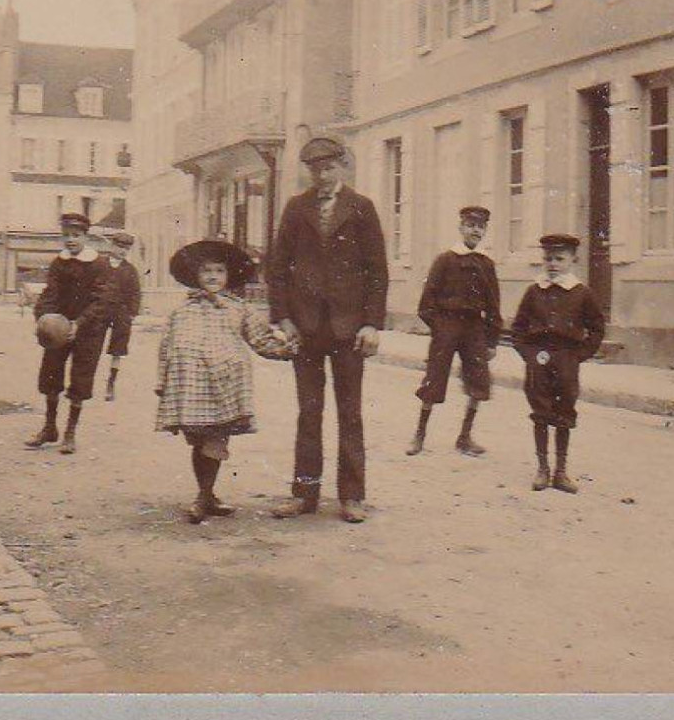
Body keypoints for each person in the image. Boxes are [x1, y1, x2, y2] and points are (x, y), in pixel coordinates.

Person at [264, 135, 389, 524]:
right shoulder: (295, 208)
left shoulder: (362, 208)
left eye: (329, 167)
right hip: (306, 328)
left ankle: (352, 497)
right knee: (309, 412)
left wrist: (371, 323)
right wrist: (283, 318)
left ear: (343, 167)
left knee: (350, 413)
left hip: (349, 328)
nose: (322, 174)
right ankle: (304, 493)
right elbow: (277, 267)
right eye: (315, 169)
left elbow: (376, 272)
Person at [154, 239, 292, 523]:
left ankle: (202, 498)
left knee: (215, 440)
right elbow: (167, 347)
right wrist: (162, 381)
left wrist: (286, 350)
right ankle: (208, 494)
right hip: (192, 387)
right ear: (197, 275)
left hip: (225, 386)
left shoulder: (238, 308)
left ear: (228, 276)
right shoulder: (183, 311)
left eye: (219, 271)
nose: (213, 277)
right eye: (207, 271)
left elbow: (260, 338)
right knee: (198, 442)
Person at [510, 233, 607, 493]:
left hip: (566, 359)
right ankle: (542, 468)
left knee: (564, 411)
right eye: (548, 258)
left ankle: (561, 471)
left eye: (559, 259)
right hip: (538, 359)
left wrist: (579, 355)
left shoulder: (581, 293)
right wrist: (528, 354)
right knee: (540, 410)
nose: (552, 264)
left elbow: (597, 328)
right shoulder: (534, 291)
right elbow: (517, 327)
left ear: (572, 260)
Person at [407, 205, 502, 457]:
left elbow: (494, 304)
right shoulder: (445, 260)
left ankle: (465, 436)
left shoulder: (486, 264)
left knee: (478, 381)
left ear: (484, 231)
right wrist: (440, 328)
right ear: (461, 227)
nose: (475, 230)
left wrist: (491, 340)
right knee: (434, 379)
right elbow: (426, 304)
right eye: (471, 225)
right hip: (446, 326)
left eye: (480, 227)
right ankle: (419, 435)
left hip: (474, 329)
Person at [25, 211, 114, 455]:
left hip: (89, 330)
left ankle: (70, 433)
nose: (71, 240)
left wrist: (79, 323)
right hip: (59, 328)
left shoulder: (99, 264)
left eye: (76, 235)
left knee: (80, 379)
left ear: (86, 236)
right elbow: (49, 294)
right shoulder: (58, 263)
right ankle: (49, 427)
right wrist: (43, 317)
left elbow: (101, 300)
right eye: (66, 235)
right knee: (51, 375)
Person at [101, 231, 143, 402]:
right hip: (100, 309)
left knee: (118, 348)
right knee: (91, 341)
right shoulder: (100, 264)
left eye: (126, 248)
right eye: (119, 247)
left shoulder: (130, 270)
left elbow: (135, 293)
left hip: (120, 312)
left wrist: (131, 313)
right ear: (111, 246)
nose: (122, 251)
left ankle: (111, 383)